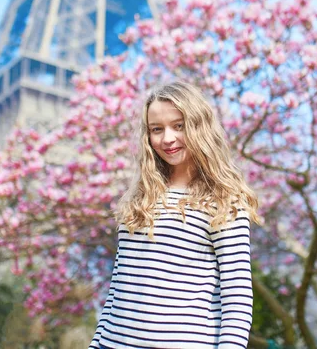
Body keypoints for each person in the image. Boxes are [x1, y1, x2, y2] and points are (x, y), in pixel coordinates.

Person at [89, 81, 260, 348]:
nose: (167, 138)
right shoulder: (140, 196)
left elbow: (237, 298)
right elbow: (119, 285)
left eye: (178, 126)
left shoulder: (223, 201)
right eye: (157, 129)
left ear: (199, 126)